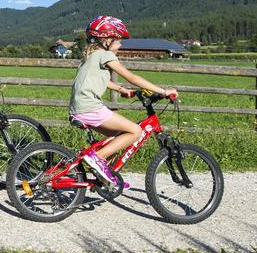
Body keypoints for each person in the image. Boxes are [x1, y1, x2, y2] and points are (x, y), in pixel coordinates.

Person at [69, 15, 178, 185]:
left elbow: (98, 80)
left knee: (117, 137)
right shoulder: (104, 55)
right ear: (107, 40)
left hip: (80, 108)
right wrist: (163, 91)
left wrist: (121, 90)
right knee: (135, 131)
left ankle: (104, 177)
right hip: (90, 108)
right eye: (118, 41)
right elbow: (130, 76)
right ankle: (97, 158)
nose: (120, 45)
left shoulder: (91, 56)